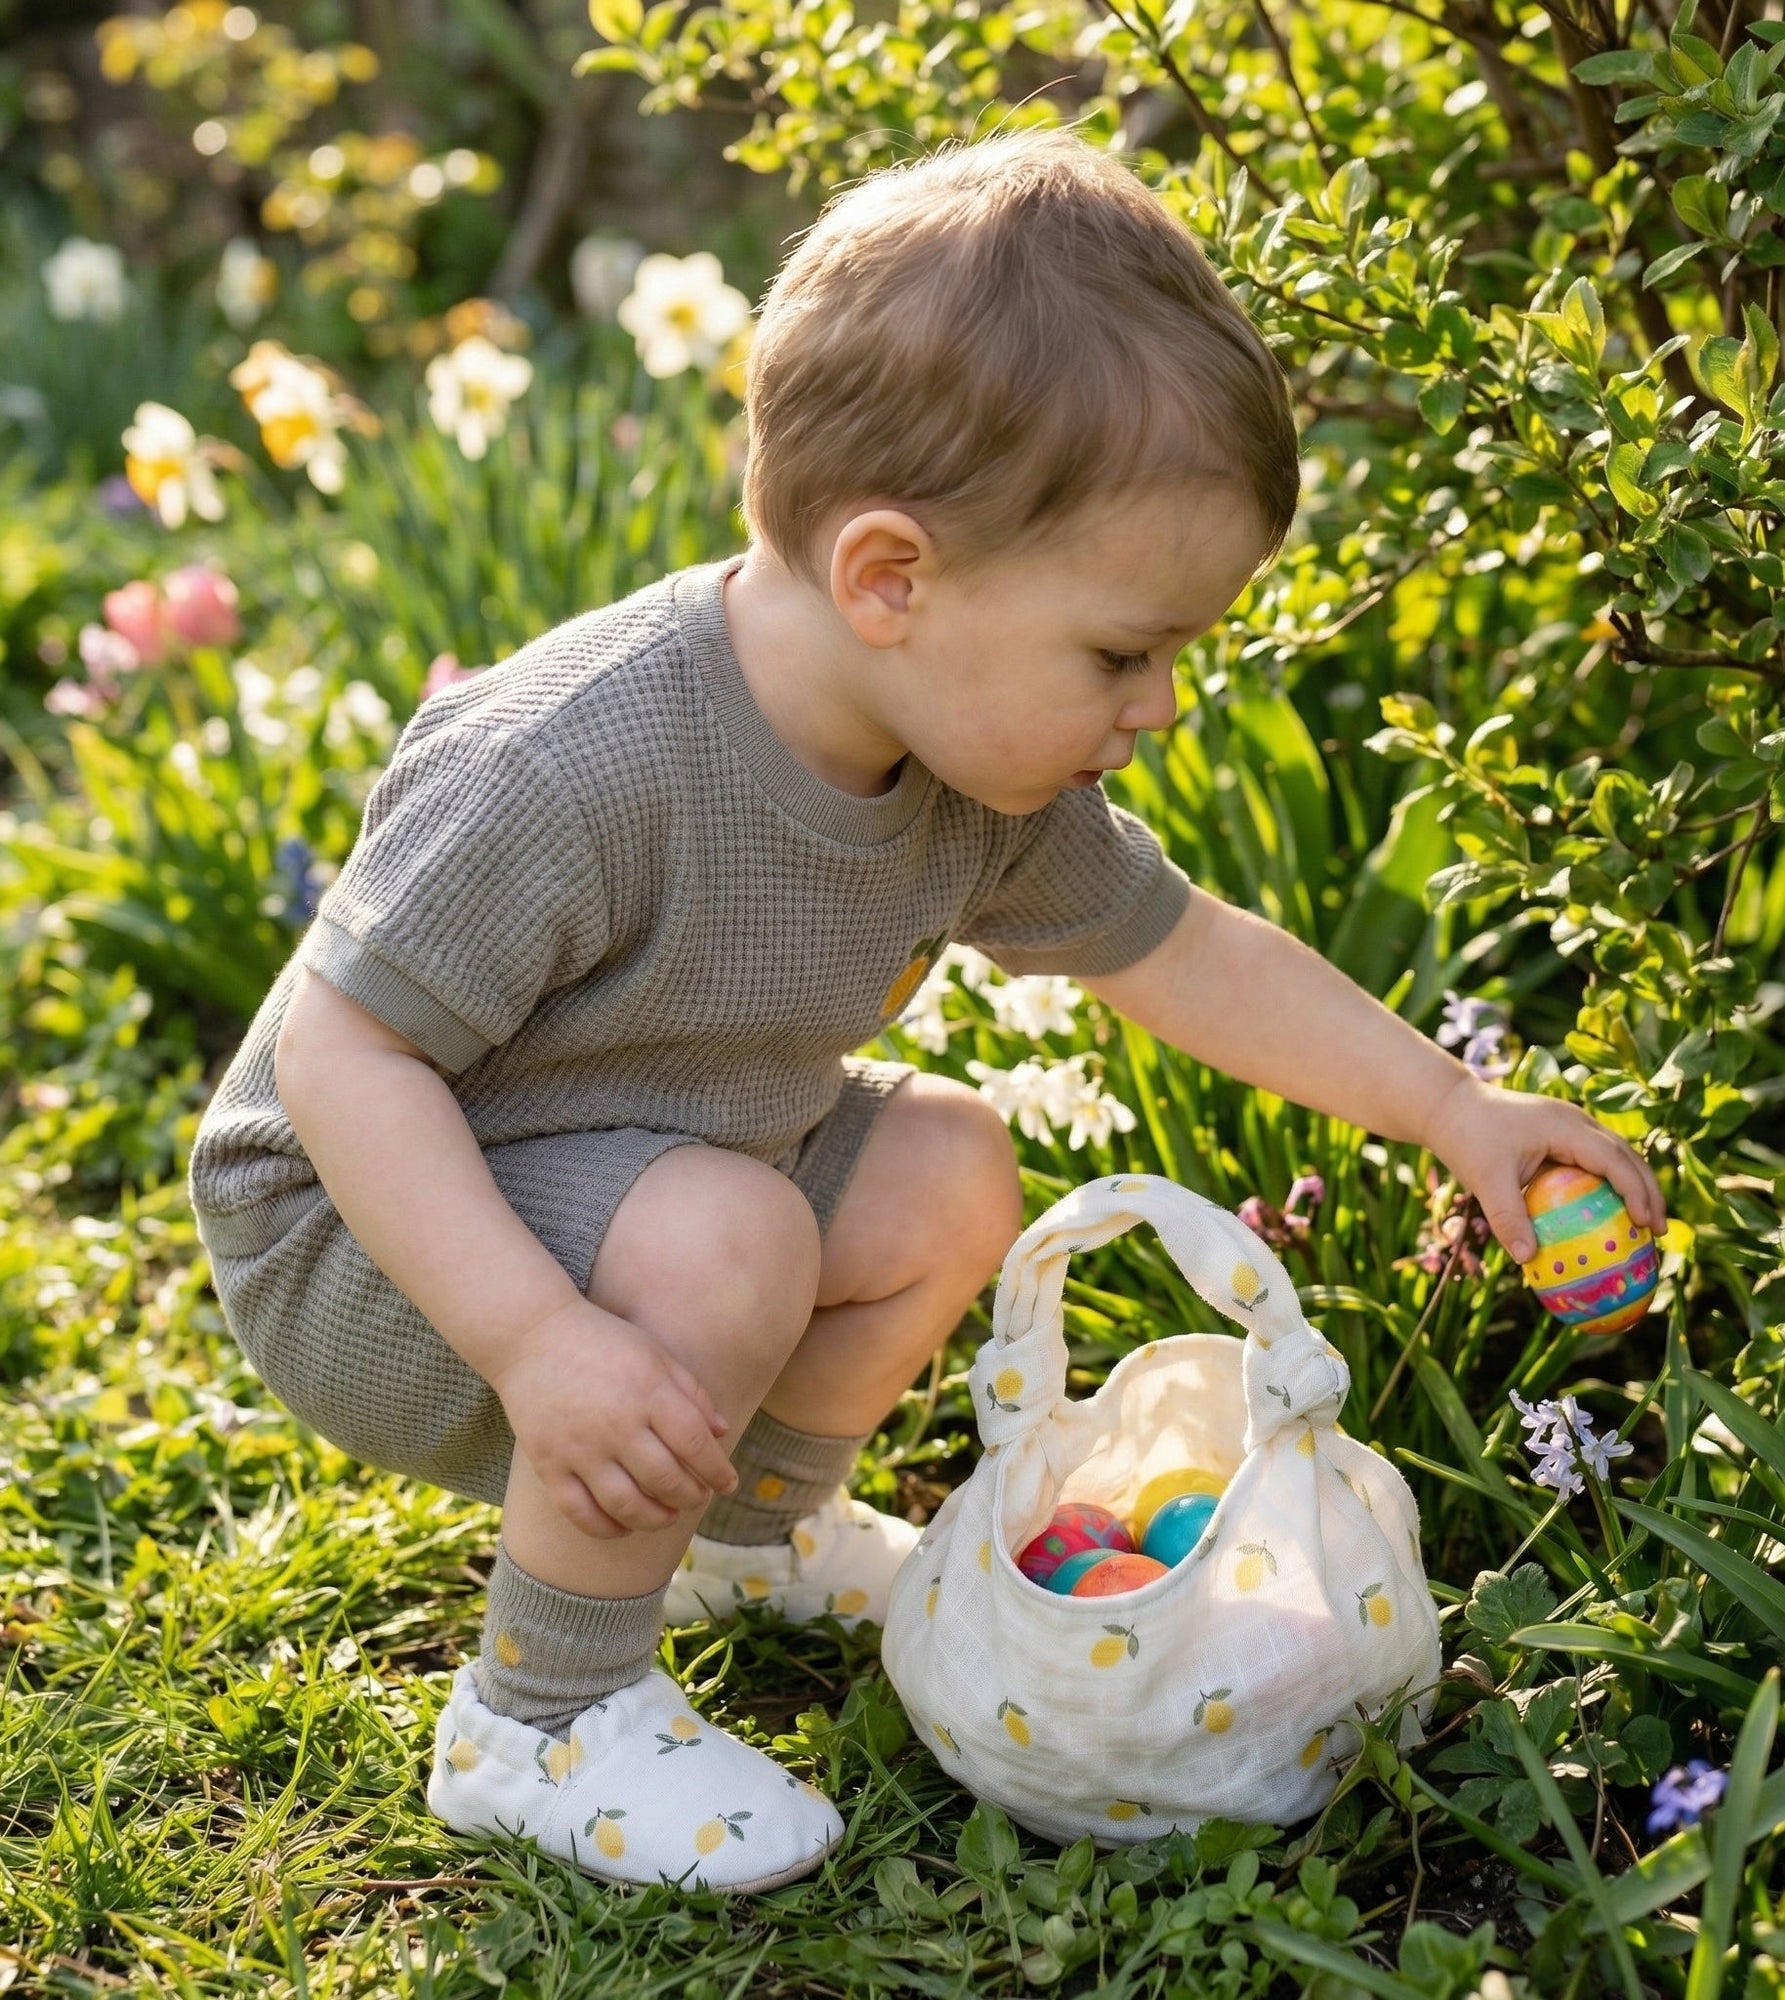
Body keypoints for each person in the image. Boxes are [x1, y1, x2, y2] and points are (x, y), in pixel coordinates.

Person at [188, 126, 1666, 1894]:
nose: (1164, 707)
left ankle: (738, 1532)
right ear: (892, 578)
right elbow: (340, 1060)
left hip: (621, 1178)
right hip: (367, 1240)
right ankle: (540, 1719)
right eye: (1124, 652)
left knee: (954, 1164)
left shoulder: (969, 771)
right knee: (735, 1235)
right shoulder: (576, 762)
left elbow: (1186, 951)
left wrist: (1457, 1112)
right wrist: (537, 1343)